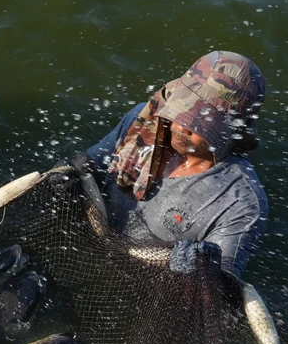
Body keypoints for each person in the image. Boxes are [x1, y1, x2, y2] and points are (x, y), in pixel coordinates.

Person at [78, 51, 269, 278]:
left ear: (231, 129)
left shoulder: (240, 203)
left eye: (199, 121)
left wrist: (203, 271)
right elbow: (91, 164)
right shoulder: (142, 121)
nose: (179, 126)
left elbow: (223, 287)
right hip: (88, 248)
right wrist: (72, 173)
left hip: (145, 287)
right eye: (182, 107)